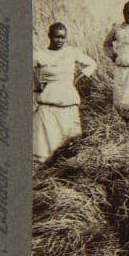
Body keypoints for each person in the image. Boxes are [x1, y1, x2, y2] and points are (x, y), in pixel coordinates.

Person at [34, 23, 97, 162]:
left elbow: (92, 64)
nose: (60, 40)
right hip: (48, 106)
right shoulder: (40, 55)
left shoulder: (71, 52)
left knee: (70, 145)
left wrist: (78, 77)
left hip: (68, 103)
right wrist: (36, 83)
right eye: (56, 37)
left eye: (63, 37)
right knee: (45, 152)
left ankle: (67, 165)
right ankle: (47, 169)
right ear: (49, 36)